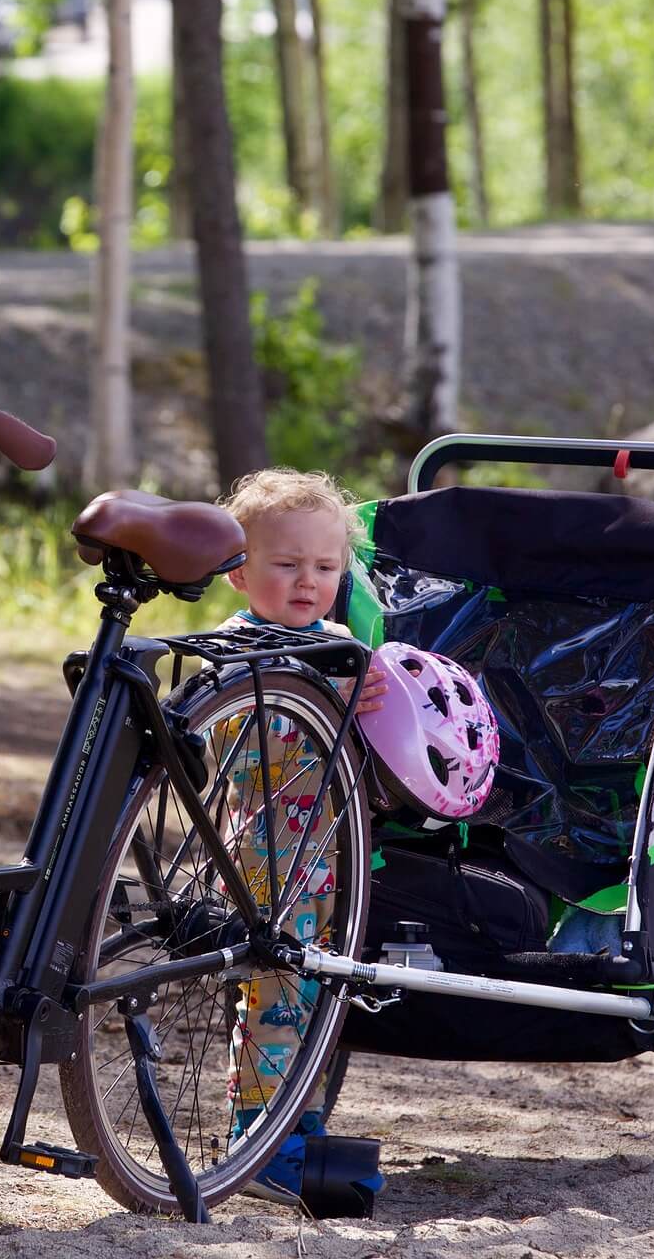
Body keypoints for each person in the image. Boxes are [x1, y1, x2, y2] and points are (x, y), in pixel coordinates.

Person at [213, 468, 384, 1205]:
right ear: (238, 574)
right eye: (286, 566)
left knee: (318, 999)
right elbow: (241, 748)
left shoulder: (337, 642)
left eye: (324, 567)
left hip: (327, 859)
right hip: (265, 860)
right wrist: (326, 701)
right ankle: (256, 1141)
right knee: (275, 1000)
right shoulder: (235, 647)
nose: (307, 582)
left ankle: (298, 1123)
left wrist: (372, 701)